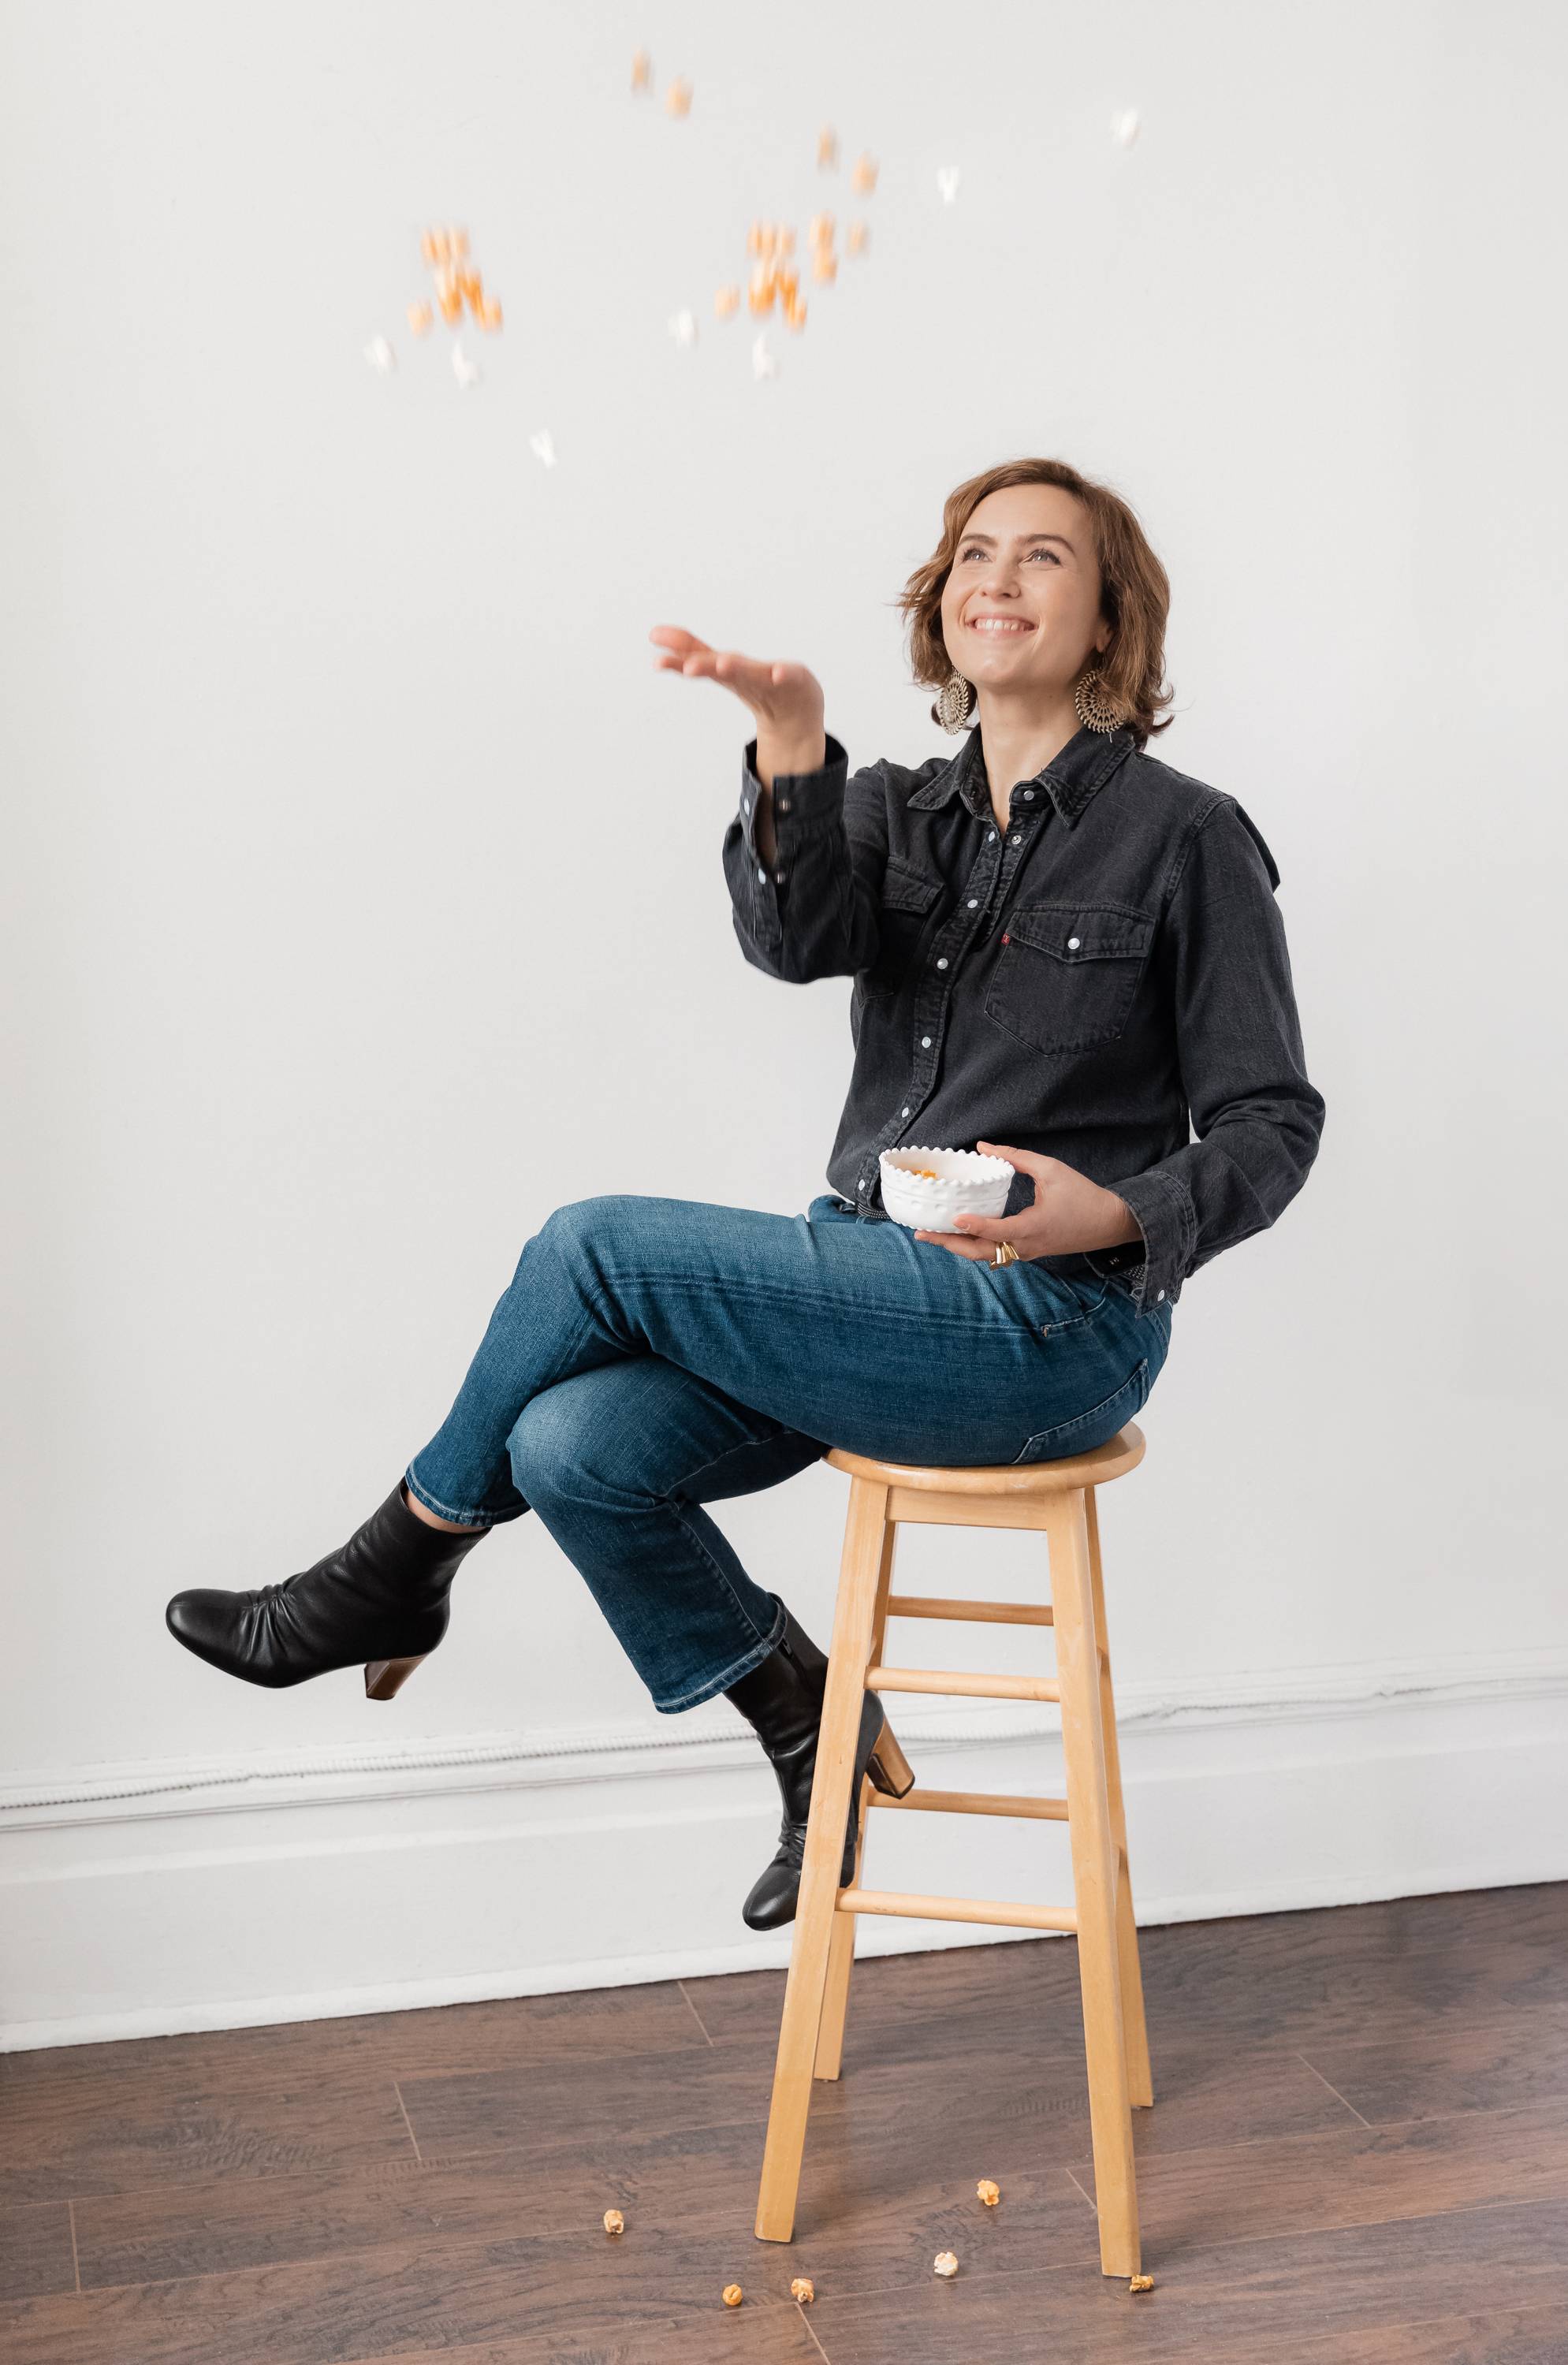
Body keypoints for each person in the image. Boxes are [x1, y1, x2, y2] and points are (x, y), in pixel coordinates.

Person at [164, 456, 1326, 1931]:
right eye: (975, 554)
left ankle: (390, 1568)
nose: (998, 580)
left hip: (1047, 1331)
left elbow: (1272, 1122)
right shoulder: (895, 811)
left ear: (1107, 620)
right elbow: (790, 942)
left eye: (1043, 558)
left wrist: (1108, 1214)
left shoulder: (1187, 837)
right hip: (869, 1287)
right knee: (568, 1441)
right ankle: (806, 1729)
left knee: (588, 1245)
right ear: (941, 602)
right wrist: (791, 743)